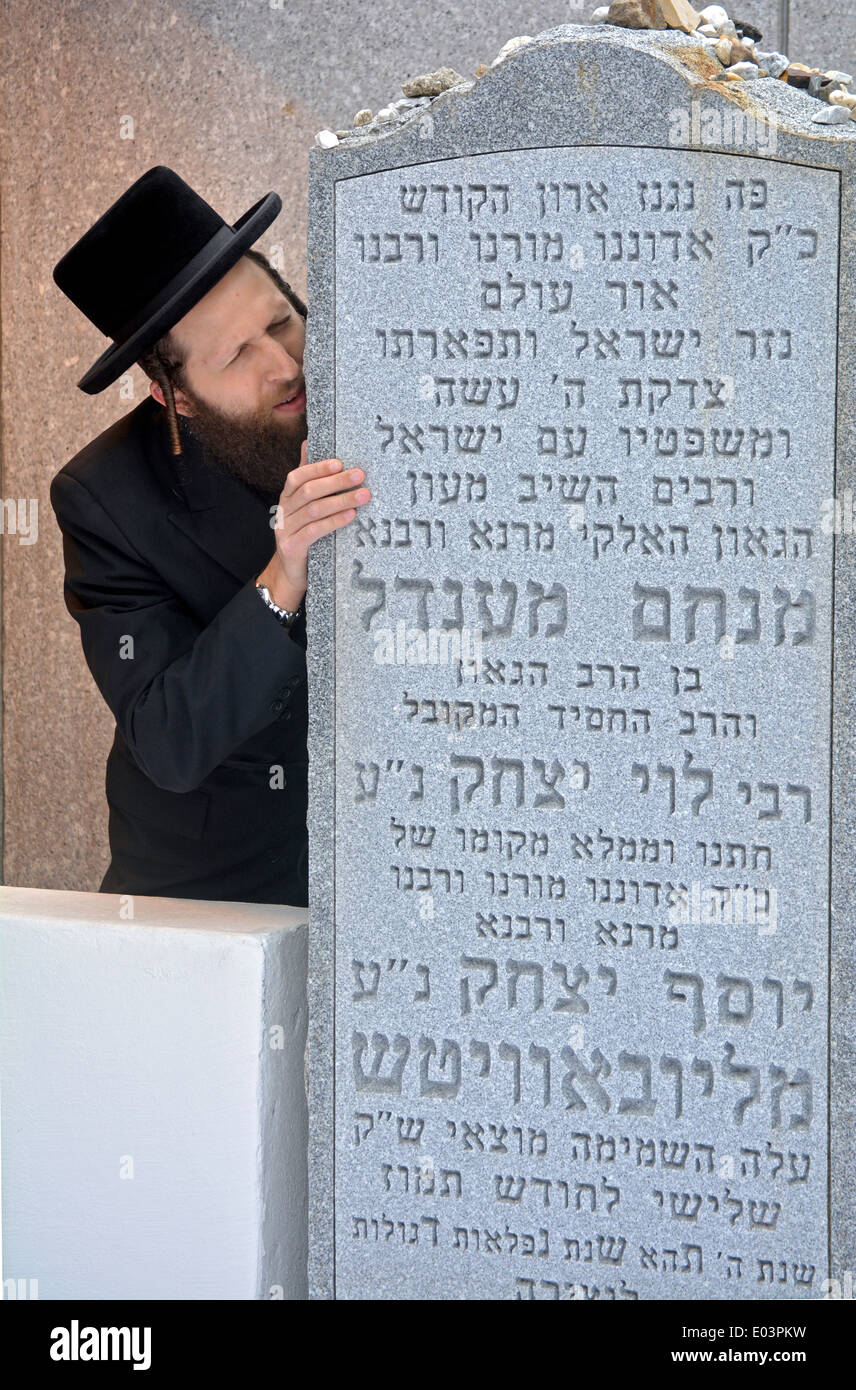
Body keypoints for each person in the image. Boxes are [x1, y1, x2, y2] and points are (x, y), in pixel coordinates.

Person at [49, 165, 370, 905]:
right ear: (175, 395)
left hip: (391, 857)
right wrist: (283, 574)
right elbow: (168, 738)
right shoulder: (104, 499)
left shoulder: (370, 382)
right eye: (236, 357)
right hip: (215, 886)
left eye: (282, 320)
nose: (286, 366)